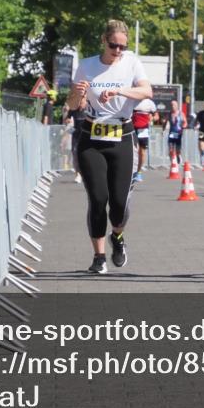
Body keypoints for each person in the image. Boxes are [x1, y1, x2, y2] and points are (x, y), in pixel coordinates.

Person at [67, 20, 152, 275]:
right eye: (114, 45)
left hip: (122, 137)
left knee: (117, 203)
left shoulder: (131, 62)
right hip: (91, 138)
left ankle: (118, 236)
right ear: (104, 41)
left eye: (122, 47)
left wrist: (121, 92)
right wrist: (77, 93)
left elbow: (147, 91)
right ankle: (98, 256)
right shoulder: (87, 66)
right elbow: (73, 104)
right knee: (97, 198)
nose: (118, 51)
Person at [131, 97, 157, 181]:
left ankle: (138, 172)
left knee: (142, 152)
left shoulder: (149, 103)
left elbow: (156, 116)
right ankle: (131, 170)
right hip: (132, 128)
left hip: (143, 129)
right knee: (133, 150)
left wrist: (151, 118)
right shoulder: (132, 100)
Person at [165, 100, 184, 166]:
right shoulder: (169, 114)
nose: (172, 106)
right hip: (172, 133)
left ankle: (178, 157)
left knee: (178, 149)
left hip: (178, 133)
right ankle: (172, 161)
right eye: (171, 105)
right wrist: (163, 128)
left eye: (174, 105)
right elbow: (165, 121)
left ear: (177, 106)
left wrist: (183, 127)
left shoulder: (180, 113)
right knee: (170, 148)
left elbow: (185, 122)